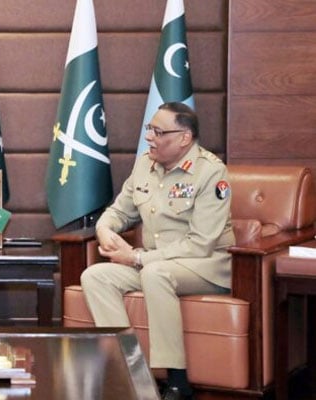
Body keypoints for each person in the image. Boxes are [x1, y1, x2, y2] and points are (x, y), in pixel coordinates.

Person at [80, 102, 234, 400]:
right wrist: (105, 229)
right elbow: (119, 211)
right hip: (155, 265)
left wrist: (136, 257)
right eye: (149, 129)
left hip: (205, 265)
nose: (149, 137)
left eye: (158, 131)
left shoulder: (212, 173)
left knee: (155, 272)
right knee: (95, 276)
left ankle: (178, 383)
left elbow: (200, 243)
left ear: (184, 138)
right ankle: (129, 372)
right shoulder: (144, 165)